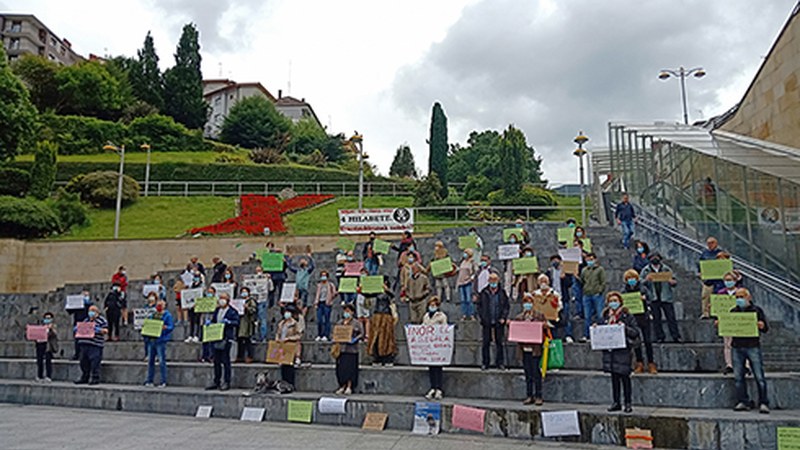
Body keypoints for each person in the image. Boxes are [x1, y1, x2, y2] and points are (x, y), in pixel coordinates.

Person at [723, 288, 770, 413]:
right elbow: (729, 329)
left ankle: (763, 402)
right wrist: (721, 324)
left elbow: (765, 328)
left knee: (759, 376)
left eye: (741, 296)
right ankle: (743, 401)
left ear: (748, 297)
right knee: (738, 377)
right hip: (737, 346)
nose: (739, 299)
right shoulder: (733, 311)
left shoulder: (757, 311)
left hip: (752, 346)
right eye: (737, 297)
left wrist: (762, 325)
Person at [600, 291, 640, 413]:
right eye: (611, 301)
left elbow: (635, 332)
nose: (613, 303)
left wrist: (624, 327)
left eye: (615, 301)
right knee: (614, 379)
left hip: (623, 351)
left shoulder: (627, 315)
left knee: (625, 379)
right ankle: (616, 402)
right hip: (611, 352)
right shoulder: (606, 316)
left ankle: (628, 403)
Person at [641, 253, 682, 343]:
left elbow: (675, 281)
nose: (655, 259)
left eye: (656, 257)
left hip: (666, 297)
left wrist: (672, 282)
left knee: (671, 318)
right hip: (653, 297)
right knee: (656, 319)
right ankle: (660, 337)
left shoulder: (666, 269)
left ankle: (676, 336)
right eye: (652, 257)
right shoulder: (646, 270)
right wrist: (646, 280)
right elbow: (641, 283)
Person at [622, 269, 656, 374]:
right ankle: (639, 363)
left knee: (648, 341)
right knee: (636, 342)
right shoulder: (624, 290)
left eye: (633, 278)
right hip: (632, 319)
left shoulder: (643, 288)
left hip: (643, 317)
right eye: (629, 279)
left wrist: (645, 299)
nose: (631, 280)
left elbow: (651, 298)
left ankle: (651, 363)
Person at [515, 295, 546, 405]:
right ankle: (529, 395)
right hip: (524, 348)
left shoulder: (538, 315)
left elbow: (546, 327)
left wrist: (543, 325)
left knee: (536, 372)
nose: (527, 305)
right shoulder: (519, 317)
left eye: (529, 302)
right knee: (527, 372)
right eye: (525, 302)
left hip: (535, 348)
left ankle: (538, 395)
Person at [206, 293, 239, 391]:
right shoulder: (217, 310)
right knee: (216, 361)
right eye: (220, 298)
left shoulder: (232, 311)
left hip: (226, 338)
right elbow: (214, 321)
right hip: (216, 337)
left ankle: (227, 381)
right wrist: (210, 324)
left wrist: (229, 322)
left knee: (225, 360)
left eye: (223, 298)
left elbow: (236, 322)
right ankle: (216, 381)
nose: (221, 300)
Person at [478, 273, 510, 370]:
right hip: (487, 321)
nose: (493, 282)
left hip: (498, 320)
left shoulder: (502, 292)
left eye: (495, 279)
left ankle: (500, 362)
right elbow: (479, 306)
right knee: (486, 343)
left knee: (499, 342)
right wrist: (482, 317)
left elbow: (506, 306)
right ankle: (485, 363)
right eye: (491, 279)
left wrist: (503, 317)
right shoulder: (484, 292)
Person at [334, 304, 364, 395]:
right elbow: (335, 333)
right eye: (345, 311)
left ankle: (349, 386)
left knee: (350, 369)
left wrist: (355, 339)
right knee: (341, 369)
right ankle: (342, 385)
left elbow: (361, 333)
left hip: (352, 350)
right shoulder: (340, 322)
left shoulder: (356, 323)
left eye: (348, 311)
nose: (346, 313)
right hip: (342, 349)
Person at [716, 271, 743, 374]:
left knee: (742, 343)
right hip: (726, 320)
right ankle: (729, 364)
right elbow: (718, 308)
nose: (728, 282)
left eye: (730, 280)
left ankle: (746, 365)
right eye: (726, 280)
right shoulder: (721, 293)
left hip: (739, 320)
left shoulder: (741, 292)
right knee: (727, 343)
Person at [74, 305, 108, 385]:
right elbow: (77, 328)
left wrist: (96, 330)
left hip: (95, 345)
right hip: (84, 344)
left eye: (93, 310)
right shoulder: (86, 320)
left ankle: (95, 378)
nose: (91, 312)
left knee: (95, 362)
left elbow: (105, 330)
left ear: (97, 312)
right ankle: (85, 377)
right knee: (83, 362)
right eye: (90, 310)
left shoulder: (102, 320)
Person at [144, 300, 174, 388]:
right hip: (152, 340)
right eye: (158, 305)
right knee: (150, 361)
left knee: (161, 361)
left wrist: (165, 328)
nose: (159, 306)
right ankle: (149, 380)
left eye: (161, 305)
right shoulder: (152, 315)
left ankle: (163, 381)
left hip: (161, 340)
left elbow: (171, 326)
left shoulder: (167, 315)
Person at [422, 296, 447, 400]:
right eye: (430, 305)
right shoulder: (426, 316)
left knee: (438, 368)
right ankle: (432, 387)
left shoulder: (441, 316)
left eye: (433, 305)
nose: (431, 307)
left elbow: (445, 329)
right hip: (429, 347)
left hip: (438, 346)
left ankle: (439, 389)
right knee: (431, 368)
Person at [546, 255, 575, 343]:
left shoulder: (565, 271)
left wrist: (564, 277)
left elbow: (569, 284)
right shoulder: (549, 272)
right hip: (552, 299)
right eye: (553, 260)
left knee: (566, 317)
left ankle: (568, 335)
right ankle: (554, 336)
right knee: (552, 318)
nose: (555, 261)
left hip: (563, 297)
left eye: (556, 260)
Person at [368, 284, 397, 367]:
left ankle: (388, 358)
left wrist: (387, 290)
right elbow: (368, 294)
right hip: (377, 315)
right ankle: (377, 358)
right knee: (376, 338)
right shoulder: (377, 293)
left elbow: (393, 296)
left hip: (386, 315)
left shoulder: (389, 294)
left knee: (387, 338)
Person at [579, 253, 607, 342]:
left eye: (591, 259)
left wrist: (599, 291)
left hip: (597, 295)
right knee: (587, 316)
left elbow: (603, 281)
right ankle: (587, 335)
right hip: (587, 294)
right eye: (588, 260)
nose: (589, 261)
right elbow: (582, 281)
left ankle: (602, 334)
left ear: (595, 259)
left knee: (600, 315)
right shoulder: (584, 270)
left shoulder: (600, 269)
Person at [275, 305, 303, 387]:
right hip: (282, 346)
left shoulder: (295, 324)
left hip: (290, 346)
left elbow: (299, 335)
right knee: (283, 366)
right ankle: (284, 384)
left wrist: (289, 338)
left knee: (289, 366)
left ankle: (290, 384)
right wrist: (277, 338)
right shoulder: (281, 324)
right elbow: (278, 333)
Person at [697, 236, 723, 319]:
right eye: (708, 243)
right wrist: (700, 273)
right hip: (708, 280)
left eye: (712, 243)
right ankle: (705, 313)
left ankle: (717, 313)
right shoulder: (704, 253)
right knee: (705, 296)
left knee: (718, 297)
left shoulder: (721, 253)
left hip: (719, 280)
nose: (710, 245)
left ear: (716, 243)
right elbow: (700, 264)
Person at [235, 287, 258, 363]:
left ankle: (250, 356)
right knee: (239, 340)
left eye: (245, 292)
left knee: (247, 339)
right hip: (240, 321)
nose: (243, 293)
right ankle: (240, 356)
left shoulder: (251, 301)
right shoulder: (239, 301)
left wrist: (247, 308)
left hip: (247, 322)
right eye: (242, 292)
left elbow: (253, 310)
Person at [34, 312, 58, 383]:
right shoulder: (40, 326)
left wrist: (50, 329)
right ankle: (39, 375)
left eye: (49, 318)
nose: (47, 320)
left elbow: (54, 335)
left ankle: (48, 376)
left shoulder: (53, 326)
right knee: (39, 360)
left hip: (48, 346)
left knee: (48, 360)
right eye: (46, 318)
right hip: (40, 344)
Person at [314, 270, 338, 341]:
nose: (323, 277)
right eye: (322, 275)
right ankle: (319, 334)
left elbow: (334, 293)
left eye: (324, 275)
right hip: (320, 303)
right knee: (319, 320)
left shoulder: (331, 285)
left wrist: (333, 295)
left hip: (327, 303)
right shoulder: (319, 285)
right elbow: (317, 294)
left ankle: (326, 335)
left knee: (327, 320)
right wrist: (316, 302)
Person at [264, 242, 288, 309]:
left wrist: (284, 261)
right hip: (271, 277)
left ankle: (281, 303)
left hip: (280, 276)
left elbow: (286, 266)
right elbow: (265, 267)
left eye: (271, 246)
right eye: (269, 246)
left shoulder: (280, 256)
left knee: (281, 291)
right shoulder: (267, 257)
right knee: (271, 291)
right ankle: (270, 305)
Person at [70, 290, 92, 360]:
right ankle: (77, 354)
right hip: (78, 323)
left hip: (87, 323)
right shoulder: (77, 305)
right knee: (77, 341)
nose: (85, 297)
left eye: (86, 295)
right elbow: (70, 311)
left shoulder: (90, 305)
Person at [456, 248, 477, 321]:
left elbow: (475, 271)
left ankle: (471, 314)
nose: (464, 254)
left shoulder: (472, 262)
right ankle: (464, 314)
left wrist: (472, 277)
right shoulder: (463, 262)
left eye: (466, 253)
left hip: (468, 282)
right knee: (463, 300)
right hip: (461, 282)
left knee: (468, 299)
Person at [185, 270, 205, 343]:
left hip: (198, 306)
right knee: (191, 321)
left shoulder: (202, 286)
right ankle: (191, 335)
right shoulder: (191, 285)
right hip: (191, 306)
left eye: (197, 277)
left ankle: (197, 335)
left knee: (197, 320)